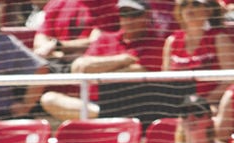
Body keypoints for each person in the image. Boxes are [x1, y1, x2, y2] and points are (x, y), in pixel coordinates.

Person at [40, 0, 174, 124]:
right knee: (49, 99)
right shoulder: (106, 39)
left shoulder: (156, 43)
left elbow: (139, 71)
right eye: (124, 14)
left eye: (135, 14)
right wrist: (122, 59)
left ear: (147, 16)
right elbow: (80, 67)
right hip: (94, 104)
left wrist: (100, 69)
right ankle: (104, 116)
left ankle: (106, 117)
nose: (129, 19)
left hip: (134, 107)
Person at [161, 0, 234, 106]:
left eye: (195, 4)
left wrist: (203, 104)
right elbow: (166, 81)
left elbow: (231, 80)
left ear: (209, 10)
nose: (189, 9)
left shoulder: (220, 39)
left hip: (213, 106)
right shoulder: (171, 41)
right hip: (177, 106)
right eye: (184, 5)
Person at [31, 0, 98, 70]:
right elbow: (39, 43)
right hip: (56, 63)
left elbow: (97, 42)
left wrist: (57, 46)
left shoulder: (103, 4)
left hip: (87, 65)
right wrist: (58, 51)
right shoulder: (57, 3)